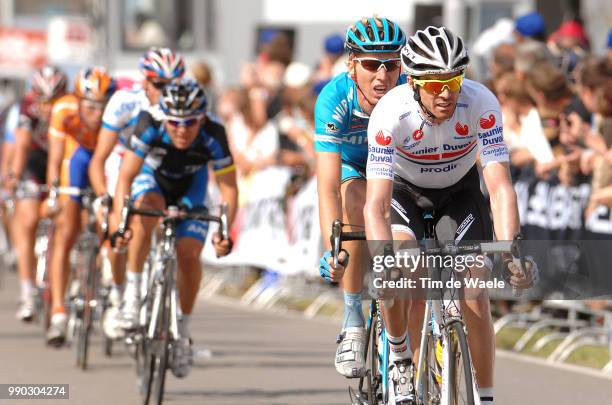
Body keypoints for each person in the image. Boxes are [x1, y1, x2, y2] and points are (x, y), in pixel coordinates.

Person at [364, 26, 538, 404]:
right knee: (403, 267)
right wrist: (383, 260)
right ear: (412, 82)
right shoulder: (390, 113)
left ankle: (486, 396)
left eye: (453, 80)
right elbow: (375, 204)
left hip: (459, 192)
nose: (446, 93)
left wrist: (511, 251)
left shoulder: (481, 103)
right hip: (404, 193)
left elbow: (500, 187)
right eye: (433, 83)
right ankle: (400, 361)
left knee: (475, 285)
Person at [110, 79, 237, 377]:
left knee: (189, 254)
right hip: (152, 180)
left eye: (190, 122)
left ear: (202, 119)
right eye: (174, 122)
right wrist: (120, 223)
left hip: (192, 189)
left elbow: (229, 189)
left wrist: (225, 231)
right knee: (147, 208)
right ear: (162, 117)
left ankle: (182, 334)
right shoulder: (147, 124)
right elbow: (125, 179)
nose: (182, 129)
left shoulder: (214, 134)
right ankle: (133, 293)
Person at [314, 16, 406, 379]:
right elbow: (326, 184)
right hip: (354, 170)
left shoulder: (409, 93)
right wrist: (332, 247)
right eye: (371, 64)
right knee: (354, 198)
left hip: (398, 170)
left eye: (392, 64)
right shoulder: (334, 98)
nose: (382, 75)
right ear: (352, 64)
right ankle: (353, 318)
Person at [88, 47, 185, 339]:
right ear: (145, 81)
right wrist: (105, 196)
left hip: (157, 169)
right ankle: (120, 297)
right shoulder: (124, 101)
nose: (166, 92)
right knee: (118, 231)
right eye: (159, 85)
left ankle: (154, 280)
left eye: (172, 85)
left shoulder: (183, 106)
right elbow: (99, 158)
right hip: (121, 164)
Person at [45, 68, 116, 346]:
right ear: (78, 102)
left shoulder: (118, 115)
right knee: (66, 230)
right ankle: (58, 312)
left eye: (102, 107)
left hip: (105, 157)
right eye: (90, 107)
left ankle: (109, 276)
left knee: (107, 218)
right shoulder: (64, 110)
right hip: (78, 159)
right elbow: (56, 156)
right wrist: (54, 193)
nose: (97, 114)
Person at [3, 66, 67, 322]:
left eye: (53, 101)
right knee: (27, 219)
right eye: (43, 100)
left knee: (69, 219)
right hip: (34, 161)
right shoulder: (26, 109)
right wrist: (14, 178)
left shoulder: (70, 110)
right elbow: (21, 147)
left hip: (62, 162)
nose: (48, 107)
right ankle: (28, 291)